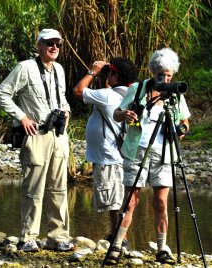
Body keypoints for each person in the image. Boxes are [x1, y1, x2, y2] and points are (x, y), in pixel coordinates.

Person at [105, 48, 190, 265]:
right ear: (153, 71)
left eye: (169, 75)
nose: (165, 79)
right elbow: (116, 114)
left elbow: (185, 121)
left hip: (164, 153)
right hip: (137, 150)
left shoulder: (175, 94)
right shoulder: (139, 89)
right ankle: (116, 246)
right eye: (161, 74)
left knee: (161, 202)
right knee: (131, 201)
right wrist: (124, 114)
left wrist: (181, 129)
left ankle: (162, 249)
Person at [0, 28, 74, 252]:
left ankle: (57, 237)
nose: (54, 48)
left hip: (58, 135)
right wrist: (22, 117)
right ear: (38, 45)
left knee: (59, 188)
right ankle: (28, 237)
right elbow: (1, 93)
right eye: (49, 43)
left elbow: (62, 97)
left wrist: (66, 112)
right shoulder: (25, 67)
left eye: (57, 44)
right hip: (35, 134)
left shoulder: (58, 69)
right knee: (34, 188)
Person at [72, 57, 137, 249]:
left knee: (114, 201)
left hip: (108, 155)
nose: (106, 75)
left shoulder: (107, 96)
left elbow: (78, 91)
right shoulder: (128, 96)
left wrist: (93, 71)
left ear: (116, 76)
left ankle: (119, 240)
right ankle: (116, 236)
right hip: (117, 154)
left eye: (110, 73)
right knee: (116, 197)